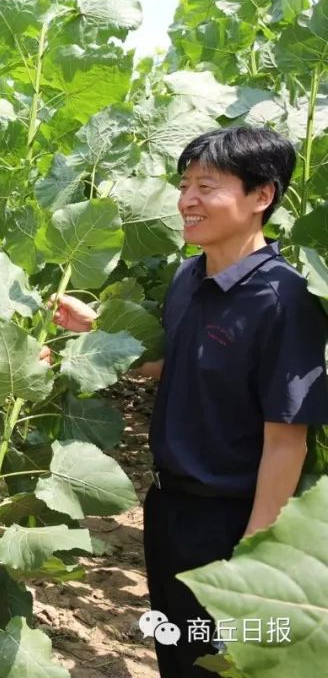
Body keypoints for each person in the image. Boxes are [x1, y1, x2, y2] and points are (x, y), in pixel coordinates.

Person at [55, 126, 328, 677]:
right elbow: (172, 362)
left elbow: (287, 437)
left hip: (233, 520)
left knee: (228, 665)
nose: (187, 201)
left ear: (261, 196)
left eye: (207, 186)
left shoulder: (283, 301)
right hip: (170, 509)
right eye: (185, 185)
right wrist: (98, 332)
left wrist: (260, 551)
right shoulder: (188, 277)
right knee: (179, 658)